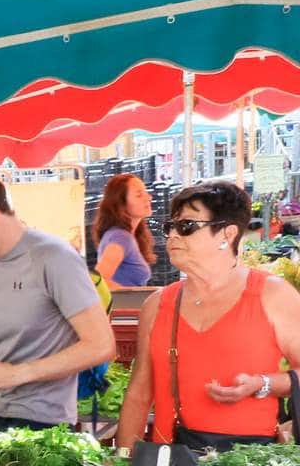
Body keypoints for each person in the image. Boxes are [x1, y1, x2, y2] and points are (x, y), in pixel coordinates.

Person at [117, 181, 300, 451]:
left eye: (187, 227)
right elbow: (139, 393)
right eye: (171, 227)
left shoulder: (272, 295)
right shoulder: (157, 305)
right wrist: (123, 462)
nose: (173, 236)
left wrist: (263, 384)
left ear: (227, 234)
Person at [0, 171, 114, 429]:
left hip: (48, 427)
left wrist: (16, 374)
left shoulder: (54, 257)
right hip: (2, 416)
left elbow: (101, 345)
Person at [93, 174, 155, 291]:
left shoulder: (122, 235)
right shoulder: (120, 237)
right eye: (138, 195)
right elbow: (99, 280)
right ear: (121, 204)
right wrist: (133, 298)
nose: (148, 197)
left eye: (145, 192)